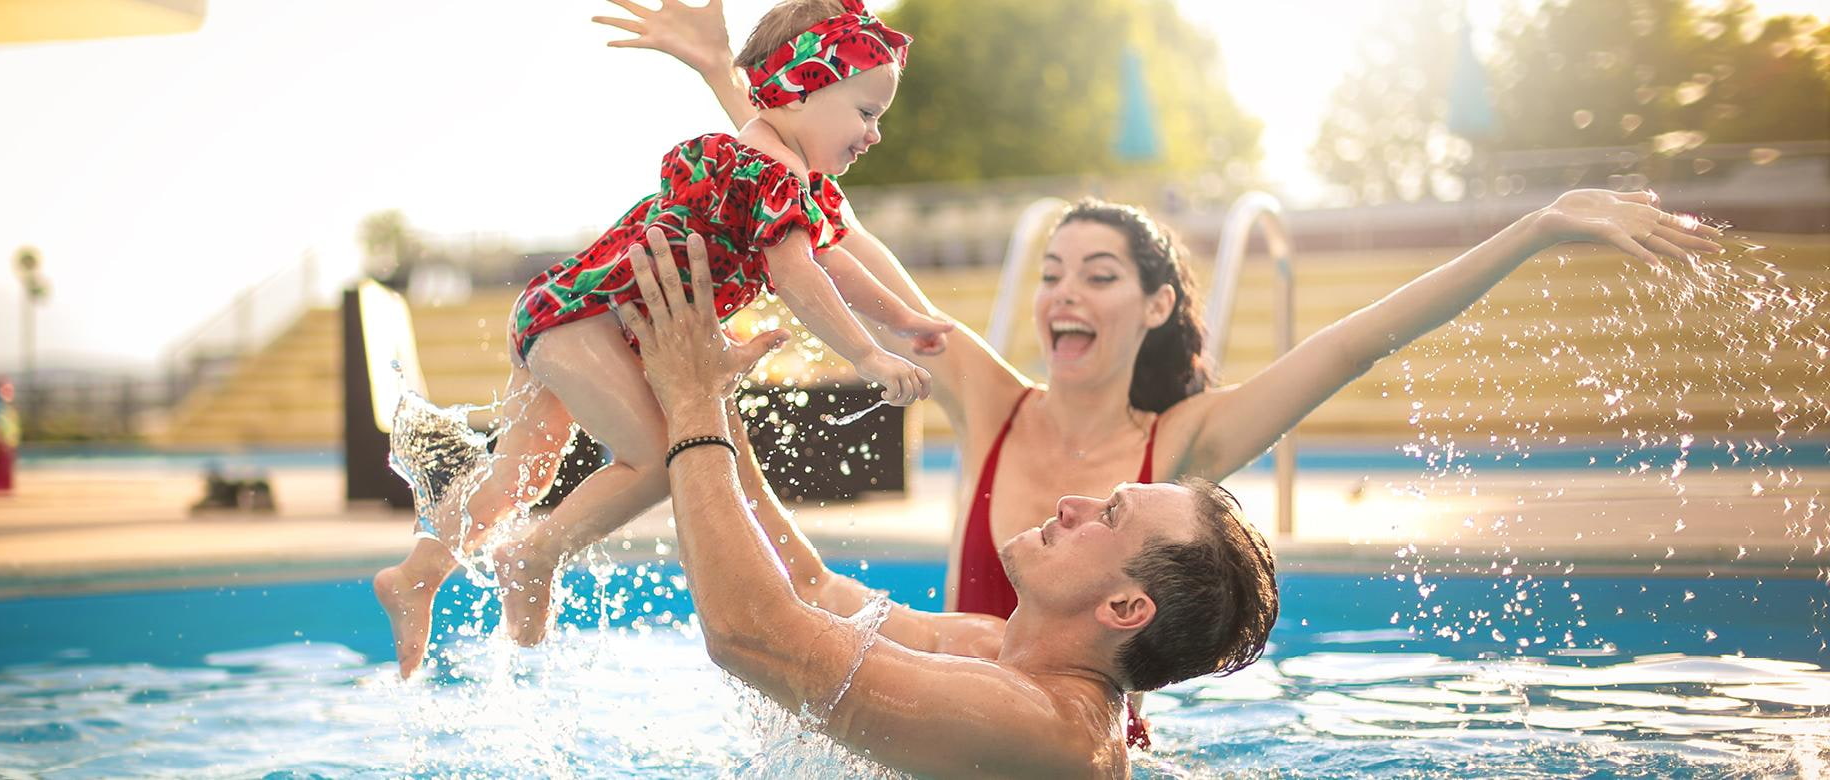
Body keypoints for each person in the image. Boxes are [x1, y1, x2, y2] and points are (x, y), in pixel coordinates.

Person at [594, 0, 1727, 744]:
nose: (1063, 299)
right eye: (1051, 274)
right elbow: (829, 236)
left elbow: (1355, 342)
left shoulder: (1180, 457)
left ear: (1159, 304)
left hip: (1015, 724)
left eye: (1097, 275)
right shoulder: (992, 406)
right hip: (966, 703)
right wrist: (735, 96)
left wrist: (1534, 228)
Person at [373, 0, 956, 678]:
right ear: (803, 88)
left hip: (563, 311)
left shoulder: (786, 176)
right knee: (658, 460)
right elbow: (800, 276)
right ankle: (531, 558)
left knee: (522, 472)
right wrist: (867, 353)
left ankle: (418, 572)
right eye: (866, 113)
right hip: (588, 323)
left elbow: (835, 261)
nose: (874, 135)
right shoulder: (768, 173)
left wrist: (905, 323)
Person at [619, 231, 1279, 778]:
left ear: (1126, 609)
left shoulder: (1035, 725)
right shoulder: (996, 650)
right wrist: (713, 390)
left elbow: (750, 636)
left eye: (1109, 516)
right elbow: (810, 590)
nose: (1074, 505)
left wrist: (692, 403)